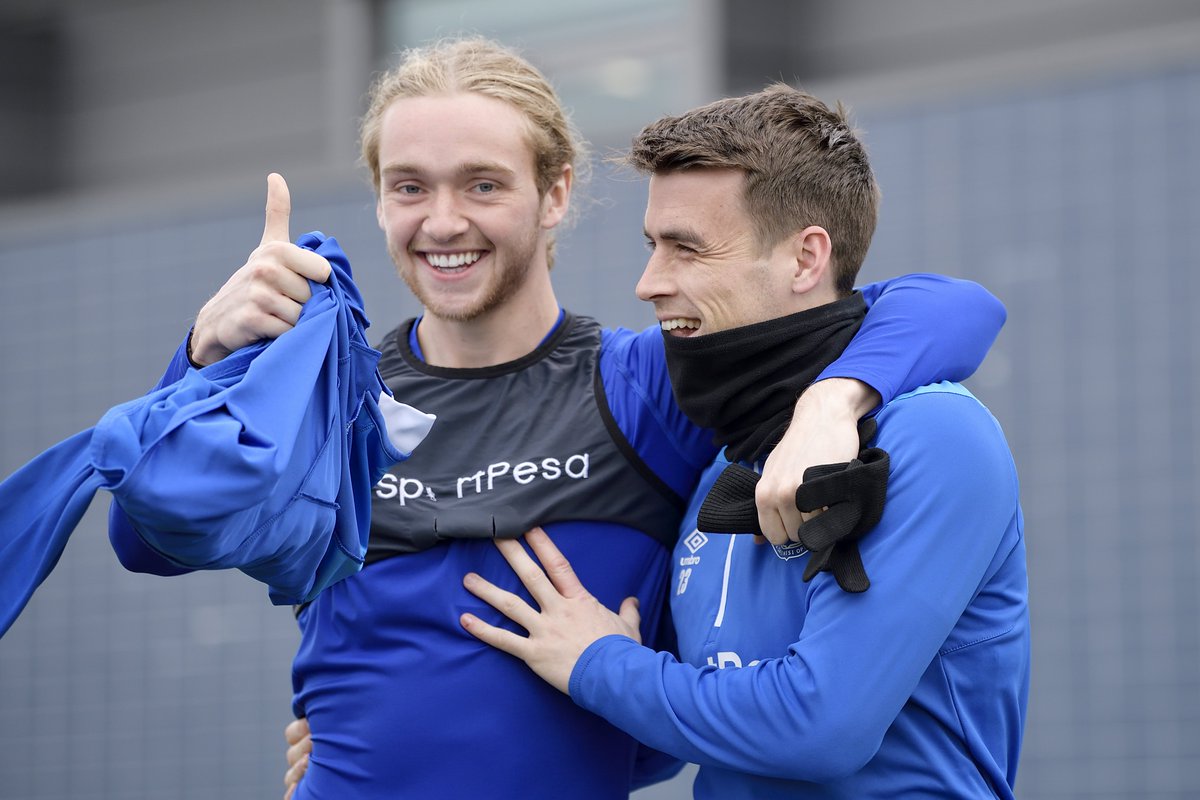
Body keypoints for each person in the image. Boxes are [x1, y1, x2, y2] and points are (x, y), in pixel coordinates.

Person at [109, 39, 1006, 800]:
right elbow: (143, 538)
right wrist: (198, 359)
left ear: (558, 194)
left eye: (484, 184)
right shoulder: (333, 400)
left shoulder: (651, 382)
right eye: (409, 186)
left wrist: (831, 400)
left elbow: (945, 306)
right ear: (379, 200)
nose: (443, 220)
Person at [461, 84, 1028, 798]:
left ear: (804, 259)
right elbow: (668, 735)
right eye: (652, 245)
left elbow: (819, 727)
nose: (648, 282)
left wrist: (601, 664)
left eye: (686, 249)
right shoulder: (722, 457)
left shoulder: (934, 435)